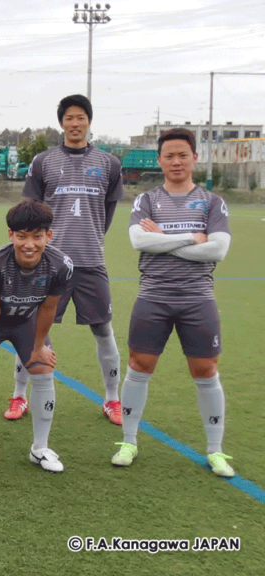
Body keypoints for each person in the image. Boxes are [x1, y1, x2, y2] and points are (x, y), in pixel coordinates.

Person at [111, 128, 234, 477]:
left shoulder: (212, 202)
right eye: (169, 156)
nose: (176, 161)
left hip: (198, 299)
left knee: (206, 369)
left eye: (183, 155)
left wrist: (162, 238)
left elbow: (218, 249)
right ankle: (129, 441)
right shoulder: (147, 200)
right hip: (154, 297)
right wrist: (187, 239)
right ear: (160, 160)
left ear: (195, 157)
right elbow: (139, 242)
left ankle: (215, 450)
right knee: (140, 363)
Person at [16, 95, 124, 424]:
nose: (75, 124)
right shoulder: (44, 161)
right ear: (61, 122)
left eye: (81, 118)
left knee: (104, 330)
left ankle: (112, 399)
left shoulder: (109, 163)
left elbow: (107, 212)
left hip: (91, 261)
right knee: (32, 330)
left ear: (89, 121)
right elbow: (30, 211)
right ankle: (19, 396)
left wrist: (89, 236)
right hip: (49, 263)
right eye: (69, 118)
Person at [0, 199, 73, 474]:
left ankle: (40, 449)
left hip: (27, 320)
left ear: (49, 235)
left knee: (43, 369)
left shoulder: (62, 266)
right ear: (11, 235)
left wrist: (38, 347)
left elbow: (48, 308)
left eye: (37, 236)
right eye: (22, 237)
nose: (29, 244)